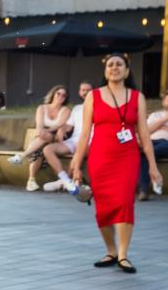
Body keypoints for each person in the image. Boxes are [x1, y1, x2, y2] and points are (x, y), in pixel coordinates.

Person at [69, 53, 161, 274]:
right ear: (105, 71)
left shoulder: (137, 97)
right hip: (100, 158)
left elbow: (145, 135)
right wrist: (76, 162)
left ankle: (123, 254)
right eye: (110, 64)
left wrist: (153, 166)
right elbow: (84, 135)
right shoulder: (93, 96)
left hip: (127, 158)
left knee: (124, 202)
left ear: (127, 71)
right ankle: (110, 251)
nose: (114, 68)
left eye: (119, 64)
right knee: (103, 207)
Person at [7, 85, 70, 191]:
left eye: (64, 95)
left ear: (66, 98)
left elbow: (59, 125)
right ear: (53, 94)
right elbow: (39, 126)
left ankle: (21, 157)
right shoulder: (42, 108)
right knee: (40, 148)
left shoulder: (66, 110)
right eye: (58, 94)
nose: (61, 96)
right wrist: (42, 132)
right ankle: (31, 180)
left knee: (45, 137)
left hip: (56, 137)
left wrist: (46, 132)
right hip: (42, 138)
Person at [40, 81, 92, 193]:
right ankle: (65, 179)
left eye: (88, 90)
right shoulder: (77, 108)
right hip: (74, 140)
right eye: (83, 90)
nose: (86, 92)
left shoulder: (99, 107)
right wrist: (61, 129)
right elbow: (68, 126)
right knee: (48, 149)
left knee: (80, 149)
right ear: (80, 92)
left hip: (91, 141)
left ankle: (62, 183)